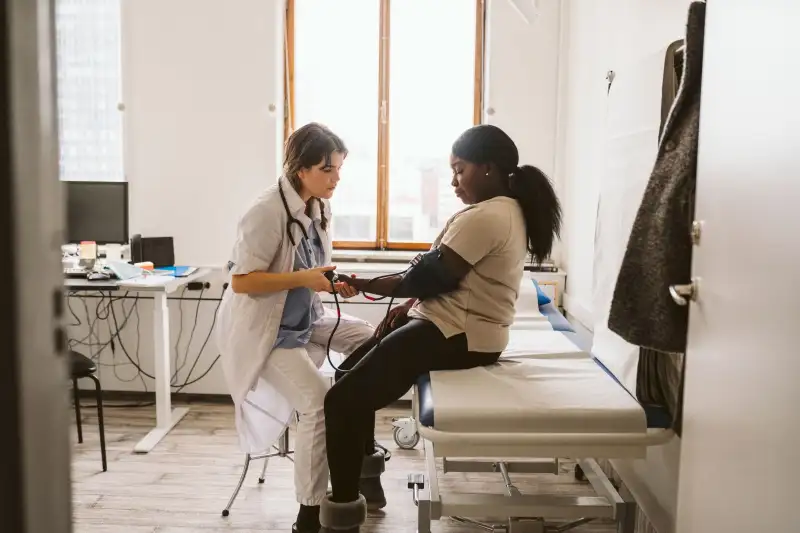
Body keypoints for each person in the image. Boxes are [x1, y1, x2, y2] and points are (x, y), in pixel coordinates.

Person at [318, 124, 563, 533]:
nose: (453, 180)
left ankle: (342, 515)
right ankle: (367, 484)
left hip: (459, 334)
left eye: (459, 169)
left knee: (340, 402)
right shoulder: (504, 211)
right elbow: (443, 278)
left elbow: (431, 278)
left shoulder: (488, 216)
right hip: (458, 328)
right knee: (347, 376)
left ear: (487, 168)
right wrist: (410, 305)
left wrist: (359, 283)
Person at [215, 123, 376, 533]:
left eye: (339, 169)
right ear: (301, 169)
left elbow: (310, 267)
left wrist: (329, 280)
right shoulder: (266, 210)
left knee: (372, 341)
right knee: (319, 402)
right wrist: (306, 279)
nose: (337, 178)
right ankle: (308, 514)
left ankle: (362, 460)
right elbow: (243, 282)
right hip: (267, 333)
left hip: (306, 318)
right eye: (328, 170)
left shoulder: (317, 205)